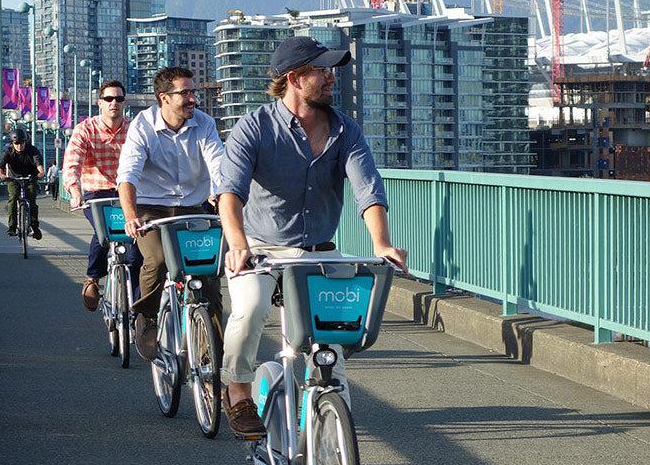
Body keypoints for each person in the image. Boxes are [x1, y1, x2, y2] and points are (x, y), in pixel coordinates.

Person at [216, 35, 408, 437]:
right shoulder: (254, 128)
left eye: (330, 70)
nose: (330, 78)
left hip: (319, 251)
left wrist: (382, 243)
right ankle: (236, 390)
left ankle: (331, 451)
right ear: (295, 78)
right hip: (261, 249)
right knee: (250, 311)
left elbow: (367, 190)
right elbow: (229, 193)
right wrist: (237, 244)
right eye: (321, 71)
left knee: (330, 352)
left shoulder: (344, 130)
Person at [117, 66, 225, 361]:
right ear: (164, 98)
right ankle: (147, 316)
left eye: (194, 92)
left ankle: (213, 352)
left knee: (209, 277)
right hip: (151, 208)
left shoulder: (204, 123)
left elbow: (218, 164)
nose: (193, 99)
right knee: (158, 258)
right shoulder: (143, 126)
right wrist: (131, 216)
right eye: (185, 93)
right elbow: (127, 175)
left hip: (192, 207)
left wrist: (221, 195)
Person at [63, 79, 141, 312]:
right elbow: (72, 162)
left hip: (129, 191)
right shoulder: (85, 129)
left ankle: (138, 308)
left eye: (118, 99)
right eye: (108, 99)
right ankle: (92, 278)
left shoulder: (135, 128)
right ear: (100, 103)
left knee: (136, 246)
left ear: (125, 102)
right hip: (97, 193)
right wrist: (75, 191)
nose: (113, 103)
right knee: (103, 232)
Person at [0, 128, 45, 238]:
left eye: (21, 143)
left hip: (30, 178)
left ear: (25, 142)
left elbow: (39, 164)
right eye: (16, 143)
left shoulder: (32, 150)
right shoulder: (8, 152)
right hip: (14, 179)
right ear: (12, 143)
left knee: (32, 198)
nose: (19, 146)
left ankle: (34, 226)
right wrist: (2, 174)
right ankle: (12, 227)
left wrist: (41, 173)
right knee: (13, 198)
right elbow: (0, 166)